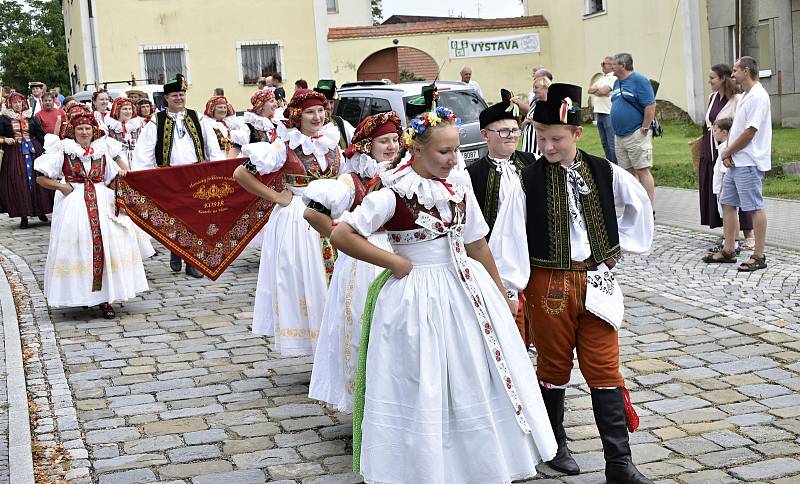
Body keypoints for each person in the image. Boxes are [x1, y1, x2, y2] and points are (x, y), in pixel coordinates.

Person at [330, 106, 557, 484]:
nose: (453, 160)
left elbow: (478, 244)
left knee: (473, 375)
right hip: (417, 298)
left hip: (467, 290)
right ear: (415, 149)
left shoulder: (458, 185)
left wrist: (501, 295)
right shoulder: (394, 191)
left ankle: (478, 463)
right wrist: (396, 262)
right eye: (443, 152)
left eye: (455, 151)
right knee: (426, 380)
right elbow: (343, 234)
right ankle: (426, 466)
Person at [522, 83, 654, 483]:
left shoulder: (603, 170)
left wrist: (619, 246)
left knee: (604, 366)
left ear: (577, 134)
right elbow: (510, 235)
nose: (548, 146)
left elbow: (639, 205)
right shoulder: (527, 180)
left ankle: (619, 463)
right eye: (542, 138)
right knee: (554, 365)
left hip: (596, 280)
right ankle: (555, 443)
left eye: (556, 138)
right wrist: (512, 284)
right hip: (549, 283)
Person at [232, 88, 342, 356]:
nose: (317, 117)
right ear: (297, 115)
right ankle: (319, 350)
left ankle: (337, 344)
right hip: (299, 220)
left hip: (334, 215)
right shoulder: (285, 146)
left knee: (338, 280)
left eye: (320, 111)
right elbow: (240, 173)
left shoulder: (331, 141)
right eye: (309, 112)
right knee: (310, 281)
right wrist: (277, 197)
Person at [306, 112, 401, 412]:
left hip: (398, 252)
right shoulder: (353, 181)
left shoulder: (403, 173)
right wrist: (339, 236)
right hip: (362, 260)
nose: (391, 146)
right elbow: (312, 213)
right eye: (383, 141)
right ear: (366, 146)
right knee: (361, 328)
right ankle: (362, 403)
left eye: (395, 140)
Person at [34, 111, 148, 319]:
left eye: (87, 129)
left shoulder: (101, 152)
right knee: (81, 249)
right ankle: (85, 295)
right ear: (73, 132)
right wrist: (62, 187)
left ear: (93, 131)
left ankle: (105, 299)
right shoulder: (64, 152)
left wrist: (121, 177)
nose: (84, 132)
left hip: (102, 202)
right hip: (75, 206)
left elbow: (112, 178)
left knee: (107, 247)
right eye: (80, 129)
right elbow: (41, 178)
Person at [132, 73, 224, 278]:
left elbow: (211, 145)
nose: (179, 98)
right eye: (174, 95)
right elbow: (145, 151)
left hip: (197, 175)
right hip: (170, 177)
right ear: (166, 98)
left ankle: (193, 262)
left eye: (182, 94)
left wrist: (217, 167)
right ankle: (176, 249)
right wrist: (143, 176)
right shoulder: (156, 121)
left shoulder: (198, 117)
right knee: (176, 218)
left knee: (197, 219)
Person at [468, 89, 537, 345]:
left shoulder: (532, 163)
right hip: (495, 259)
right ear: (485, 135)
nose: (511, 136)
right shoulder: (473, 173)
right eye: (504, 131)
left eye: (515, 130)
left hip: (531, 253)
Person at [703, 56, 771, 272]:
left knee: (754, 207)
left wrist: (729, 151)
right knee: (727, 202)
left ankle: (759, 255)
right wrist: (728, 152)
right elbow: (737, 127)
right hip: (735, 160)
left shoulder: (758, 97)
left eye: (735, 70)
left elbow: (750, 131)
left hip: (748, 161)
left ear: (747, 71)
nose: (732, 75)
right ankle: (729, 249)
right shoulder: (745, 96)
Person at [699, 63, 754, 251]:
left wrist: (730, 150)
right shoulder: (712, 97)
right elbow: (707, 123)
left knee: (736, 191)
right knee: (719, 191)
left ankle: (748, 235)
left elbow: (741, 127)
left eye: (712, 78)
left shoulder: (738, 99)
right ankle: (728, 234)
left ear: (723, 79)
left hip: (729, 147)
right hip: (711, 147)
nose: (710, 81)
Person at [0, 92, 53, 228]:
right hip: (15, 152)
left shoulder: (31, 117)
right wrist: (5, 139)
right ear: (9, 104)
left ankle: (41, 211)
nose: (18, 105)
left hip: (34, 151)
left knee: (39, 180)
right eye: (14, 102)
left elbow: (40, 134)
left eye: (19, 102)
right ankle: (24, 215)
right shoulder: (4, 119)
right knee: (19, 182)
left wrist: (50, 147)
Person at [610, 53, 657, 207]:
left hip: (636, 133)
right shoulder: (617, 83)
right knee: (626, 173)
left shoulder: (639, 80)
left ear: (622, 66)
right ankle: (634, 205)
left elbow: (650, 105)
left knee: (642, 169)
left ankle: (648, 207)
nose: (611, 67)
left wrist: (644, 127)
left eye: (614, 64)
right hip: (620, 135)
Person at [588, 56, 618, 163]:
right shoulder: (602, 78)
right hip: (600, 113)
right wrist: (597, 90)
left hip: (608, 112)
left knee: (611, 143)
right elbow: (590, 90)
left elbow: (603, 91)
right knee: (604, 142)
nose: (602, 66)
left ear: (611, 65)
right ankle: (609, 163)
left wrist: (598, 90)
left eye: (603, 63)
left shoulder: (613, 78)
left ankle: (616, 165)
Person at [314, 79, 355, 149]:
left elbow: (356, 137)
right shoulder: (309, 128)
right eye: (326, 102)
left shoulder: (340, 122)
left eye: (331, 102)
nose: (329, 107)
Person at [106, 97, 144, 168]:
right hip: (118, 163)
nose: (128, 111)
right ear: (118, 111)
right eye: (125, 109)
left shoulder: (137, 125)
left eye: (130, 109)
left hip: (137, 160)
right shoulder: (110, 127)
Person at [520, 76, 551, 156]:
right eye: (533, 88)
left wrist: (534, 121)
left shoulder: (551, 106)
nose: (534, 91)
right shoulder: (534, 104)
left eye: (536, 88)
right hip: (527, 147)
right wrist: (524, 123)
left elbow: (551, 127)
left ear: (546, 88)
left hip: (539, 149)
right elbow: (524, 126)